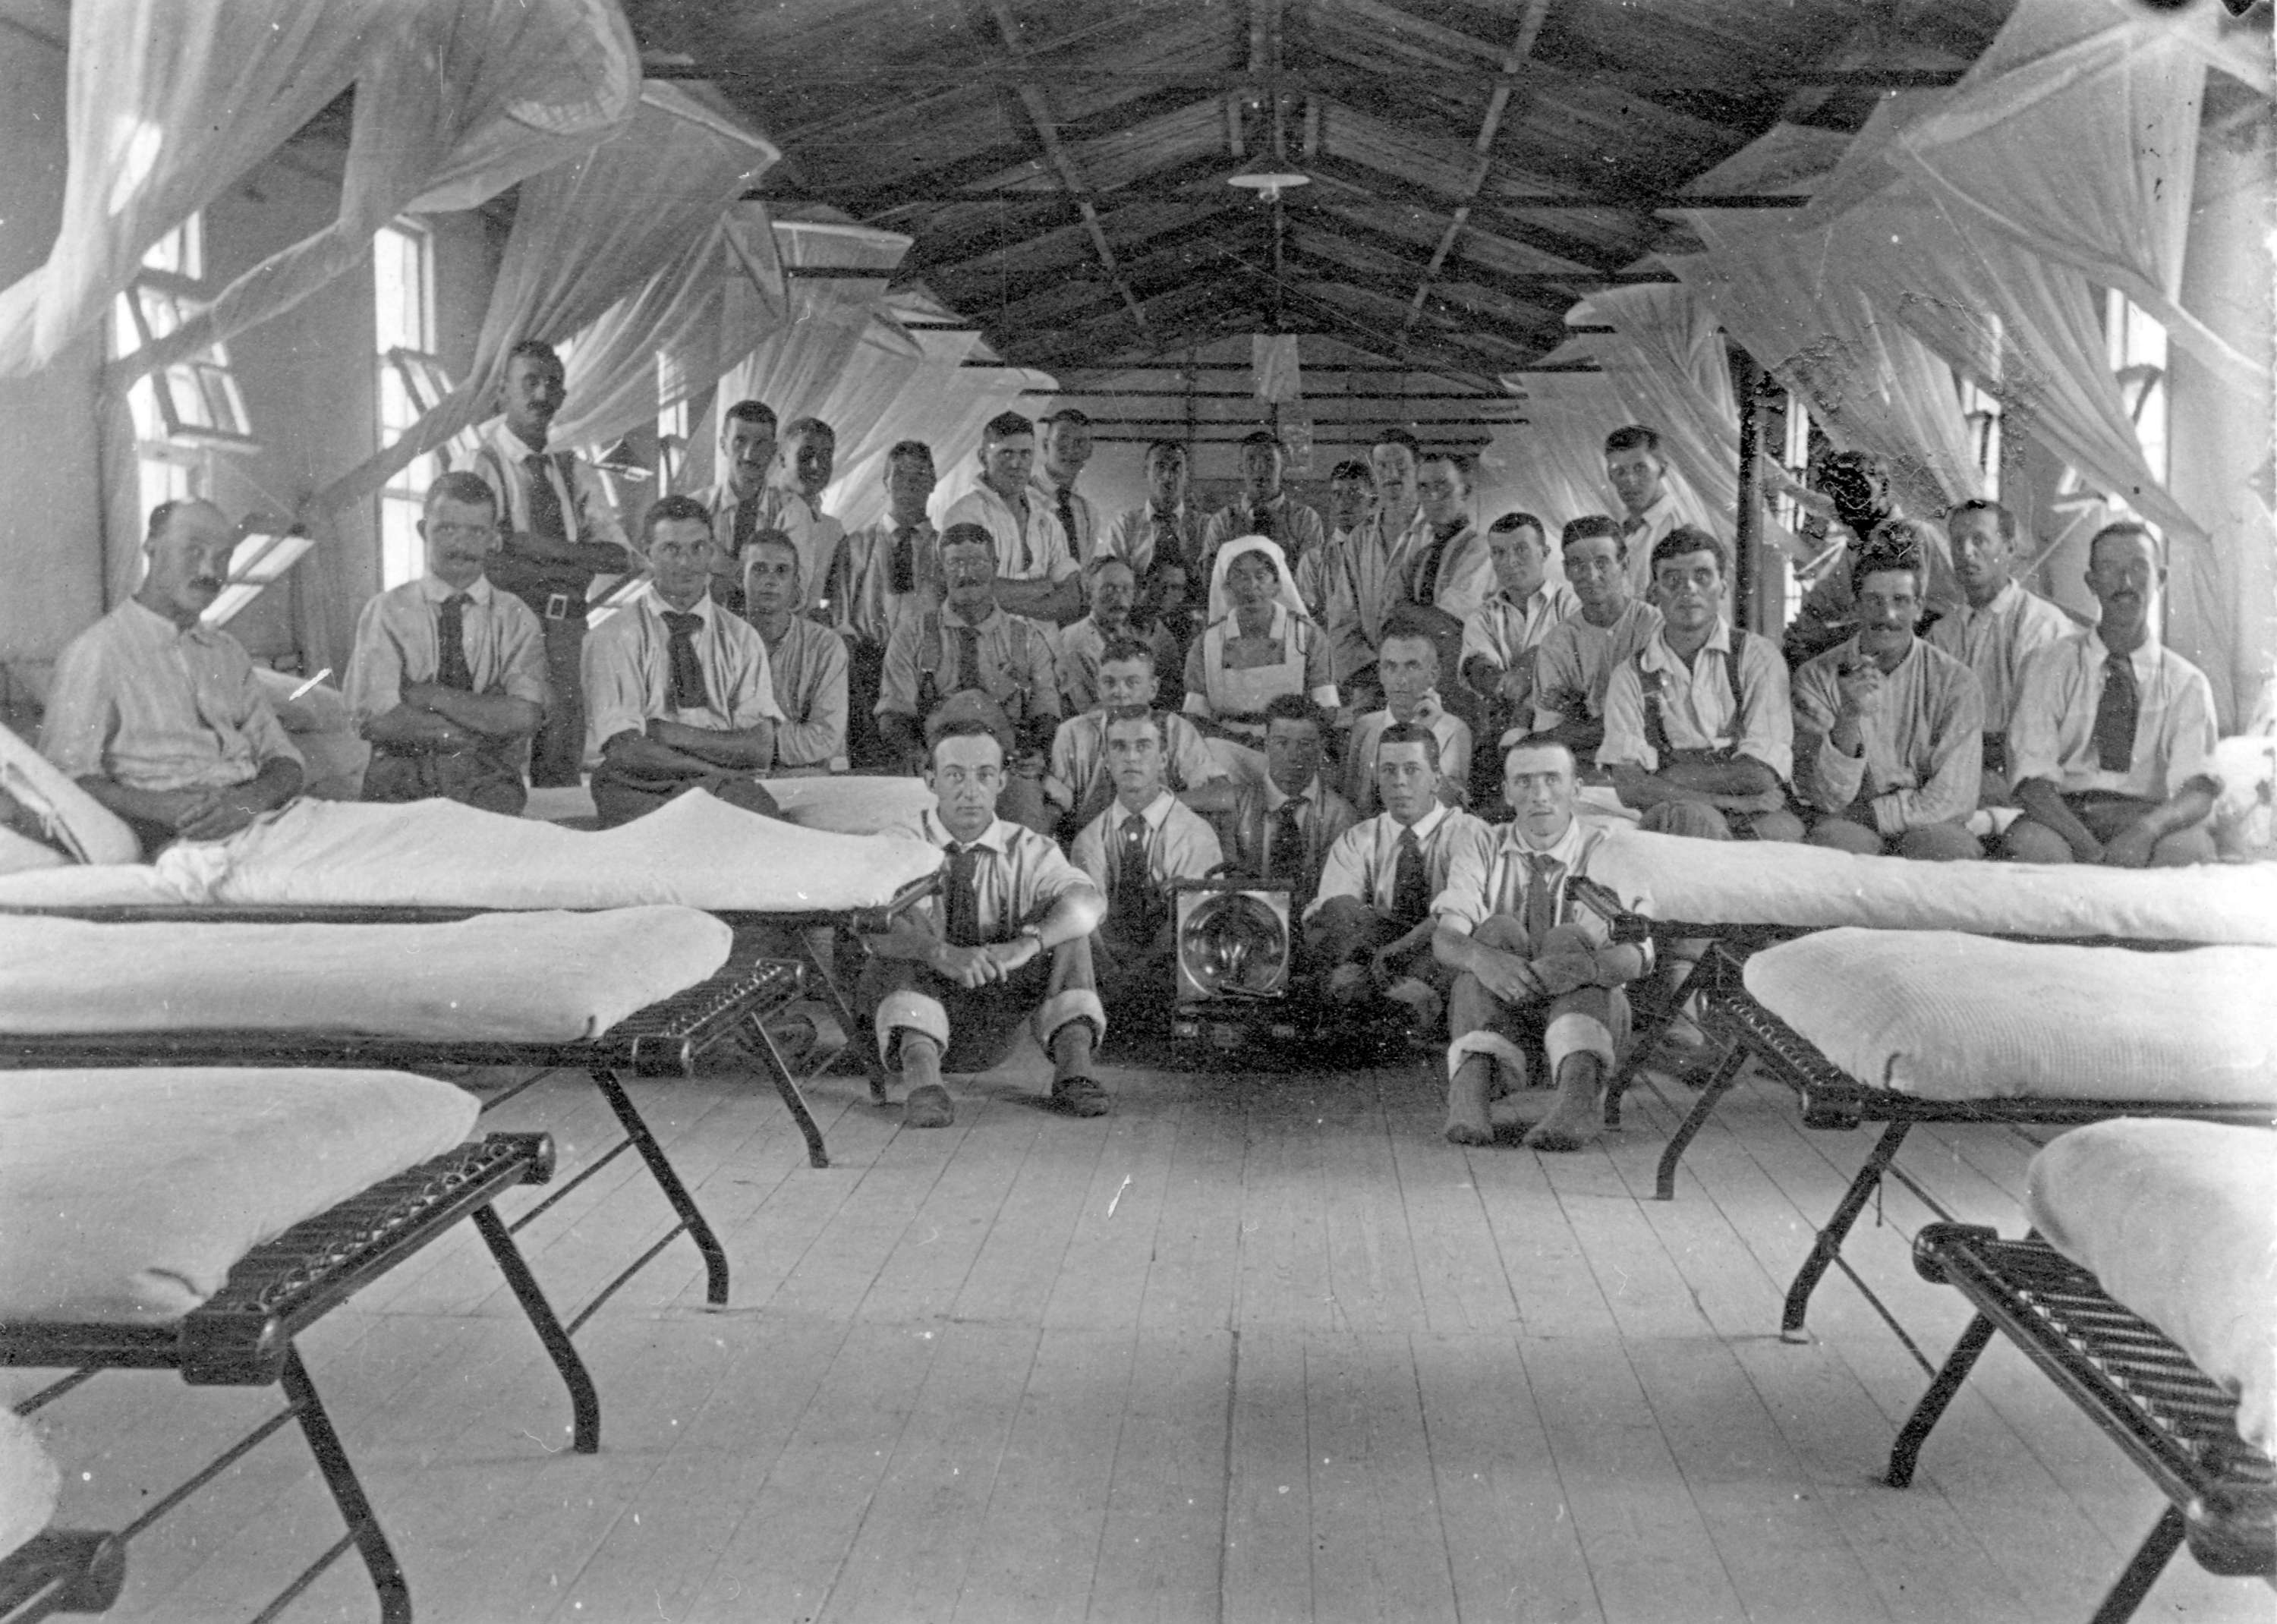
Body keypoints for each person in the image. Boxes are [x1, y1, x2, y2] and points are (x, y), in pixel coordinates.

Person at [859, 715, 1109, 1127]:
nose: (970, 791)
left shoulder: (1030, 847)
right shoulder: (898, 842)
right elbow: (865, 920)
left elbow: (1089, 901)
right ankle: (923, 1085)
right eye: (955, 775)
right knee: (893, 919)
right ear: (930, 779)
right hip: (912, 1023)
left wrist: (1028, 943)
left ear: (1002, 783)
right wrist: (937, 952)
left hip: (995, 1022)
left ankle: (1075, 1069)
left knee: (1068, 923)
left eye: (984, 775)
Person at [41, 499, 303, 853]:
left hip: (261, 820)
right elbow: (64, 778)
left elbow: (284, 759)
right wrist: (169, 810)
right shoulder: (99, 651)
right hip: (188, 836)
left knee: (398, 832)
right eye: (193, 551)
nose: (211, 570)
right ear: (152, 548)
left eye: (223, 557)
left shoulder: (227, 652)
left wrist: (247, 804)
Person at [1434, 738, 1650, 1151]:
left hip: (1584, 1017)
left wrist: (1575, 967)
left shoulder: (1608, 847)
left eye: (1553, 779)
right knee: (1494, 931)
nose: (1540, 795)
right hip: (1500, 1011)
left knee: (1567, 937)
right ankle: (1471, 1089)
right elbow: (1446, 939)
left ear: (1577, 788)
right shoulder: (1482, 842)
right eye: (1525, 782)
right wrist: (1483, 958)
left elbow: (1637, 955)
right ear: (1507, 791)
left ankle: (1578, 1098)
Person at [466, 338, 637, 786]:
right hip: (508, 630)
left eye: (552, 384)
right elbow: (489, 563)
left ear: (562, 396)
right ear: (502, 392)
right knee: (504, 758)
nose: (542, 394)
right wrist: (576, 563)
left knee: (561, 758)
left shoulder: (570, 468)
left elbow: (619, 556)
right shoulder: (481, 464)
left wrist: (528, 545)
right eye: (530, 382)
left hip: (566, 632)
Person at [2000, 522, 2221, 867]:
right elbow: (2031, 782)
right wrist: (2087, 847)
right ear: (2091, 582)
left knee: (2189, 853)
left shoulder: (2187, 682)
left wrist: (2145, 832)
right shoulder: (2047, 664)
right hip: (2064, 816)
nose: (2126, 584)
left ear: (2160, 579)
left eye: (2138, 568)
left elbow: (2198, 789)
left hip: (2149, 817)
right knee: (2033, 850)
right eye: (2109, 569)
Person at [345, 472, 547, 815]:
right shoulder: (387, 611)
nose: (461, 545)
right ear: (424, 530)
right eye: (447, 529)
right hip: (399, 783)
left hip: (488, 782)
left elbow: (525, 715)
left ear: (493, 538)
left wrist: (431, 697)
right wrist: (479, 726)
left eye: (476, 531)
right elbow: (376, 719)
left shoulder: (516, 617)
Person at [581, 495, 783, 828]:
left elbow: (759, 749)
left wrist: (666, 732)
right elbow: (626, 751)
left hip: (722, 787)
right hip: (639, 786)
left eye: (698, 548)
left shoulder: (741, 637)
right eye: (671, 549)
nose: (686, 563)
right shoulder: (613, 636)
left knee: (765, 830)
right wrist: (716, 765)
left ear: (713, 551)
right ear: (648, 555)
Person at [1598, 527, 1805, 843]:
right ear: (1653, 593)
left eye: (1702, 576)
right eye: (1672, 579)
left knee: (1781, 836)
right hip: (1681, 812)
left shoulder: (1756, 656)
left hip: (1760, 809)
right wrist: (1732, 800)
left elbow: (1761, 774)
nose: (1688, 589)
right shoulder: (1630, 676)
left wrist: (1671, 775)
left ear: (1723, 587)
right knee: (1693, 824)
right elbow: (1631, 787)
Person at [1789, 529, 1985, 858]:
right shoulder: (1816, 677)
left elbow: (1952, 799)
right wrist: (1849, 717)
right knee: (1834, 846)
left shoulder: (1956, 682)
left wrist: (1875, 815)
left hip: (1927, 823)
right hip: (1848, 825)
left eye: (1901, 601)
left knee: (1949, 851)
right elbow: (1827, 798)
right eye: (1874, 601)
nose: (1888, 615)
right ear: (1856, 607)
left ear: (1920, 607)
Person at [875, 522, 1063, 832]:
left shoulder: (1027, 639)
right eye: (956, 563)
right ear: (940, 570)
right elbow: (892, 715)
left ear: (996, 567)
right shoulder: (912, 635)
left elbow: (1046, 711)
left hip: (1005, 767)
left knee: (1026, 836)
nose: (966, 574)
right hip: (935, 765)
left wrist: (1038, 752)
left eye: (977, 562)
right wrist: (916, 755)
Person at [1305, 723, 1493, 1031]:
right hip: (1375, 959)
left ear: (1436, 778)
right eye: (1388, 771)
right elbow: (1337, 914)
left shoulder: (1469, 832)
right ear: (1377, 777)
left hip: (1441, 960)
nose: (1399, 782)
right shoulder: (1357, 839)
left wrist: (1402, 945)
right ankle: (1394, 1002)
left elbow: (1460, 916)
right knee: (1338, 927)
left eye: (1412, 770)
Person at [1072, 708, 1226, 1018]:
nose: (1131, 758)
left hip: (1172, 977)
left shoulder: (1195, 834)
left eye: (1143, 746)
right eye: (1119, 747)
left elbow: (1191, 926)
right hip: (1108, 979)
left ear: (1164, 759)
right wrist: (1113, 977)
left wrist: (1138, 976)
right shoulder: (1089, 839)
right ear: (1106, 760)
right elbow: (1087, 927)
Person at [1927, 498, 2073, 796]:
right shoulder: (1943, 632)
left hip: (2023, 779)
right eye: (1957, 542)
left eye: (1979, 540)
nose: (1966, 552)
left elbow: (2041, 734)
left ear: (2009, 548)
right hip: (1951, 771)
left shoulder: (2041, 624)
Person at [1783, 450, 1964, 665]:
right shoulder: (1854, 548)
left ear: (1884, 487)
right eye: (1839, 492)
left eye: (1858, 488)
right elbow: (1822, 606)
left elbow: (1948, 611)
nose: (1848, 500)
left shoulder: (1915, 536)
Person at [1183, 537, 1339, 785]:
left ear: (1277, 584)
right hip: (1226, 752)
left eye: (1261, 575)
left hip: (1291, 749)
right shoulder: (1206, 643)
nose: (1251, 585)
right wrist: (1240, 742)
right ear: (1227, 586)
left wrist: (1284, 738)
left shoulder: (1307, 636)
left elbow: (1326, 709)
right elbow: (1195, 718)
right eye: (1241, 576)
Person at [827, 439, 940, 767]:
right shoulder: (857, 546)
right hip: (870, 671)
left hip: (925, 675)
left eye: (920, 474)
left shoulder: (942, 549)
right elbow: (841, 619)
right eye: (899, 474)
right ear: (885, 482)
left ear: (933, 482)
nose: (909, 483)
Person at [1047, 637, 1229, 833]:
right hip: (1093, 842)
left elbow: (1223, 794)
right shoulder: (1073, 732)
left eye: (1132, 682)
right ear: (1098, 688)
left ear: (1153, 689)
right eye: (1109, 683)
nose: (1120, 692)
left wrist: (1157, 805)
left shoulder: (1176, 729)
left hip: (1163, 840)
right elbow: (1057, 802)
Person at [1528, 515, 1661, 764]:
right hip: (1586, 762)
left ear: (1624, 564)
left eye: (1602, 563)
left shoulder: (1653, 626)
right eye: (1578, 564)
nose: (1590, 575)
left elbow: (1654, 719)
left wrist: (1581, 720)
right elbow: (1552, 734)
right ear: (1566, 570)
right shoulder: (1558, 643)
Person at [1458, 511, 1579, 783]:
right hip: (1502, 733)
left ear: (1545, 552)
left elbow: (1572, 656)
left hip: (1563, 731)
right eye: (1499, 553)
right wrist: (1509, 683)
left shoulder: (1570, 603)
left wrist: (1529, 665)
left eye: (1521, 549)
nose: (1510, 561)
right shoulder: (1482, 616)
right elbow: (1476, 668)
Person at [940, 411, 1081, 625]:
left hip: (1041, 650)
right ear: (982, 457)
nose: (1017, 464)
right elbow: (972, 593)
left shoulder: (1047, 516)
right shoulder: (965, 514)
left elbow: (1071, 601)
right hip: (986, 646)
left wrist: (1002, 593)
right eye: (1006, 453)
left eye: (1025, 454)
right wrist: (1048, 584)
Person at [1323, 427, 1431, 707]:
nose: (1392, 475)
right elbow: (1342, 617)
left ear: (1418, 468)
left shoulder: (1434, 533)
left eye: (1400, 466)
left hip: (1429, 685)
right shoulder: (1360, 538)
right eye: (1383, 466)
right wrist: (1373, 676)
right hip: (1370, 683)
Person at [1224, 693, 1358, 915]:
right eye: (1281, 743)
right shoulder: (1237, 804)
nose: (1293, 756)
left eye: (1305, 744)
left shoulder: (1340, 815)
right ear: (1266, 744)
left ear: (1321, 747)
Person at [743, 530, 849, 774]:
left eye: (782, 571)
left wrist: (746, 743)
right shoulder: (723, 641)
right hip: (738, 776)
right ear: (741, 577)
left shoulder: (825, 647)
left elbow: (823, 739)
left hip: (807, 776)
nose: (770, 581)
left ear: (795, 582)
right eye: (759, 569)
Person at [1346, 620, 1473, 816]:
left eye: (1412, 667)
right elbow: (1352, 800)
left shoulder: (1453, 730)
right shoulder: (1365, 726)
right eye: (1390, 667)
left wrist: (1424, 735)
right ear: (1380, 673)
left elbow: (1450, 808)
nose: (1400, 679)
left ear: (1433, 674)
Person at [702, 400, 817, 615]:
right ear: (723, 445)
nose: (749, 454)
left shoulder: (792, 510)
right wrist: (765, 579)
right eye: (740, 441)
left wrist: (723, 566)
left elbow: (795, 596)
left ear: (774, 450)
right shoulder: (697, 508)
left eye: (761, 444)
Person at [1201, 430, 1327, 587]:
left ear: (1283, 466)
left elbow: (1310, 580)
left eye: (1269, 460)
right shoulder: (1223, 521)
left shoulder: (1305, 519)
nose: (1260, 468)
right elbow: (1211, 581)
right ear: (1240, 467)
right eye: (1251, 460)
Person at [1099, 439, 1206, 577]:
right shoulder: (1124, 526)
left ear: (1187, 474)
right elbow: (1115, 578)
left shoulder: (1204, 526)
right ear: (1146, 471)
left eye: (1176, 468)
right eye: (1160, 467)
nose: (1168, 477)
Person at [1603, 424, 1682, 601]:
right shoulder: (1614, 529)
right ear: (1610, 476)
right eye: (1619, 471)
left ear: (1662, 469)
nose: (1630, 480)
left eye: (1640, 468)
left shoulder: (1679, 526)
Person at [772, 416, 842, 610]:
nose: (816, 466)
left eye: (825, 457)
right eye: (805, 456)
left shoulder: (832, 530)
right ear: (782, 459)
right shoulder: (761, 511)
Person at [1057, 554, 1139, 715]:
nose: (1119, 598)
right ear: (1089, 597)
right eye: (1109, 589)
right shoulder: (1075, 642)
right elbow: (1091, 714)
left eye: (1126, 589)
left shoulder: (1127, 637)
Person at [1306, 458, 1374, 622]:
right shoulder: (1314, 560)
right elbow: (1307, 618)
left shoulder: (1381, 551)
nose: (1345, 502)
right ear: (1330, 500)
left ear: (1372, 500)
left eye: (1355, 494)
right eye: (1337, 494)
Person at [1035, 406, 1099, 569]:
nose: (1070, 450)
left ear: (1089, 451)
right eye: (1062, 441)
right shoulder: (1021, 497)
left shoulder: (1088, 511)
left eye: (1079, 443)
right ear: (1045, 446)